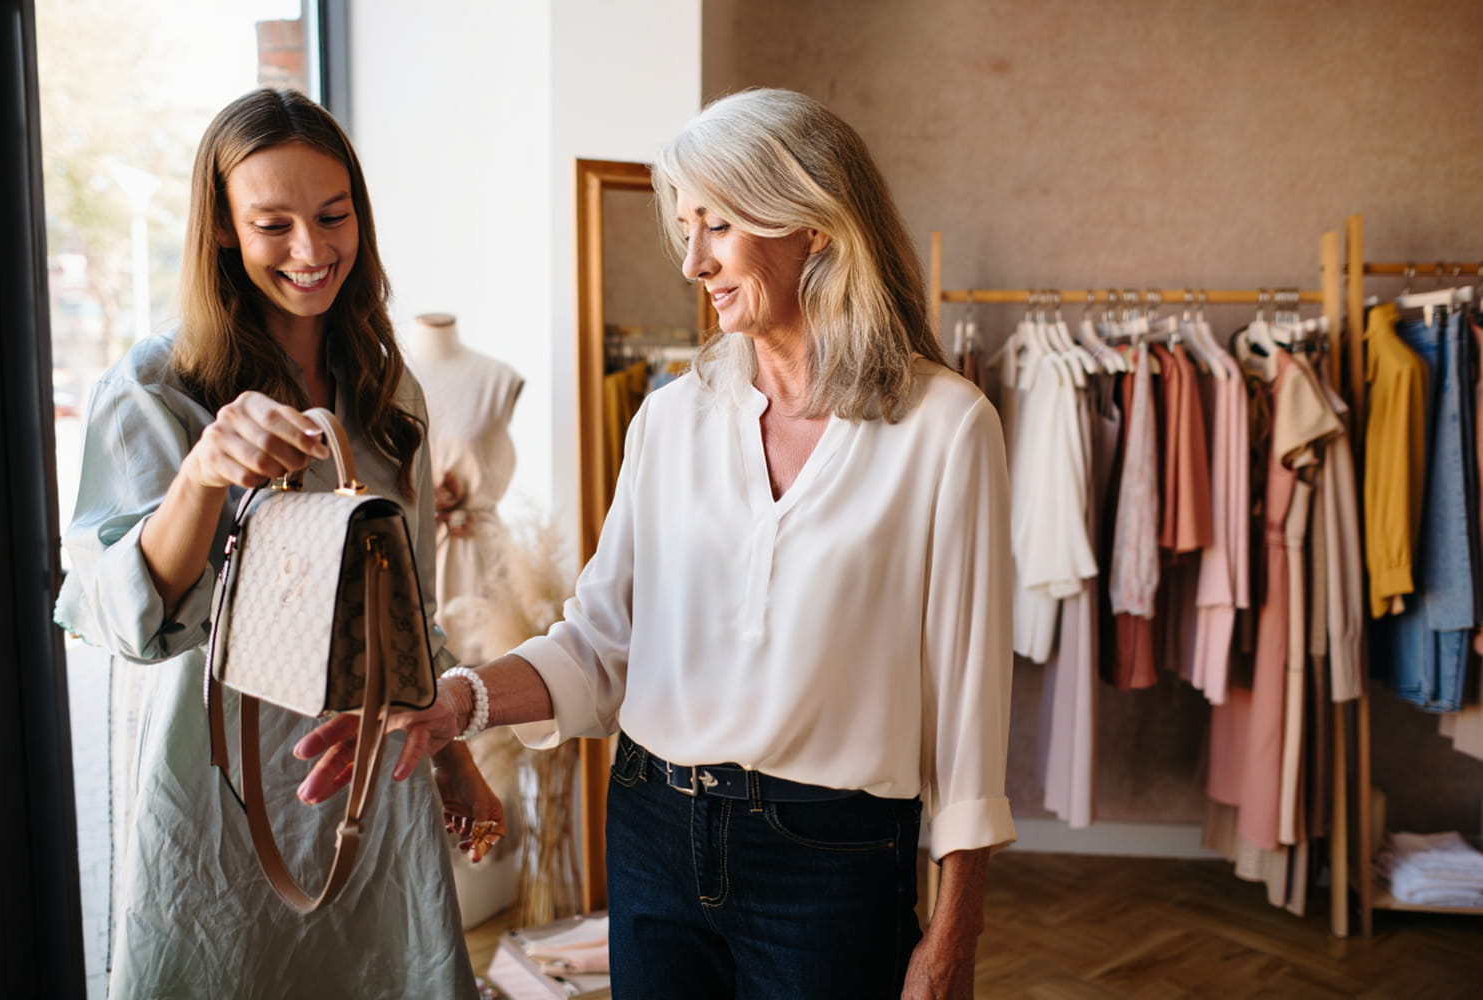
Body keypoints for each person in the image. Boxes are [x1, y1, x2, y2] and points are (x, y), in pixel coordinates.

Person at [300, 86, 1016, 1000]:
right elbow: (602, 647)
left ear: (813, 223)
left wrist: (957, 929)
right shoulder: (672, 419)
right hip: (651, 837)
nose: (692, 260)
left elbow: (968, 704)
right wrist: (456, 703)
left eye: (717, 224)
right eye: (685, 228)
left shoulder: (945, 427)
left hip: (831, 862)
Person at [54, 88, 501, 999]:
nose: (311, 249)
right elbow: (127, 616)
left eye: (333, 216)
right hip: (219, 790)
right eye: (273, 225)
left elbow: (405, 607)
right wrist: (203, 471)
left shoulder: (386, 391)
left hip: (373, 780)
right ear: (223, 227)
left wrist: (454, 758)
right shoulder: (157, 387)